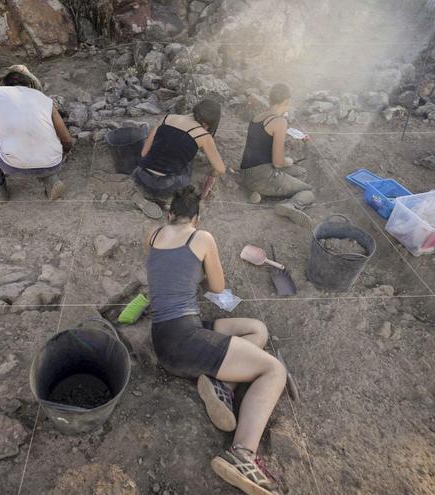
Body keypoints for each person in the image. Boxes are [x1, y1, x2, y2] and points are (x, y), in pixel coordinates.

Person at [144, 186, 287, 495]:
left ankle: (222, 386)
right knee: (274, 371)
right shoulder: (202, 238)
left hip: (167, 333)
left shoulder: (153, 234)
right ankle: (242, 456)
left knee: (256, 330)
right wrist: (203, 270)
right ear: (197, 217)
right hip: (185, 340)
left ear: (170, 214)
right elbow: (218, 286)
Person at [0, 65, 72, 201]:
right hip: (53, 164)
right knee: (44, 132)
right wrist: (63, 154)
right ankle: (51, 179)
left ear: (5, 83)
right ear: (29, 83)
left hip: (12, 165)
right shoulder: (44, 99)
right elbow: (66, 139)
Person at [132, 100, 227, 219]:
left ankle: (147, 197)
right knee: (187, 161)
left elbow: (143, 153)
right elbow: (221, 169)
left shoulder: (166, 118)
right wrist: (212, 176)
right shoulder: (203, 135)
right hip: (168, 186)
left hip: (141, 177)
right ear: (210, 122)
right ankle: (167, 201)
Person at [239, 83, 316, 228]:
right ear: (286, 101)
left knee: (301, 172)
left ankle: (261, 194)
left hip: (246, 173)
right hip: (263, 175)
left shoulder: (257, 117)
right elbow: (278, 162)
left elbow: (263, 145)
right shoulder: (280, 121)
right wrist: (289, 160)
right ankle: (291, 205)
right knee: (309, 191)